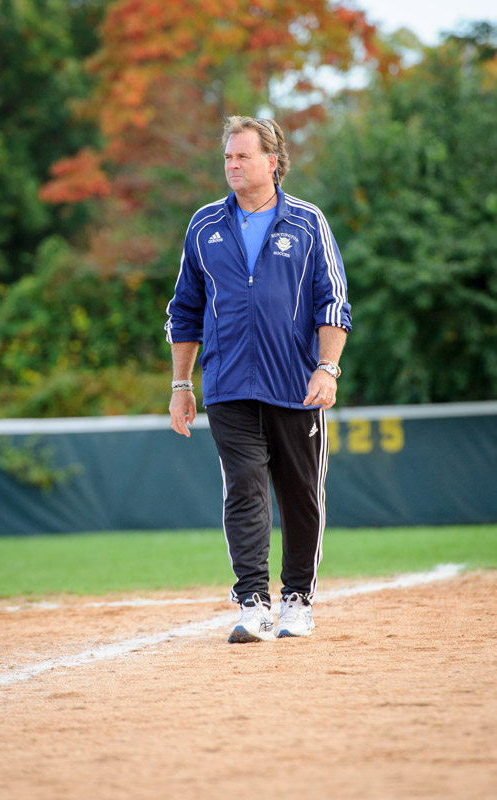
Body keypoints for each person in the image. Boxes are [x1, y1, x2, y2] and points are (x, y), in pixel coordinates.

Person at [165, 116, 351, 643]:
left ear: (273, 162)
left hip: (296, 386)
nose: (232, 165)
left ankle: (297, 601)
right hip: (228, 387)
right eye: (227, 157)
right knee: (244, 490)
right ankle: (253, 603)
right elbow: (184, 311)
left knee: (300, 495)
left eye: (242, 156)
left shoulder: (308, 223)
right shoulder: (204, 226)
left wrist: (327, 366)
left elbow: (333, 302)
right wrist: (182, 386)